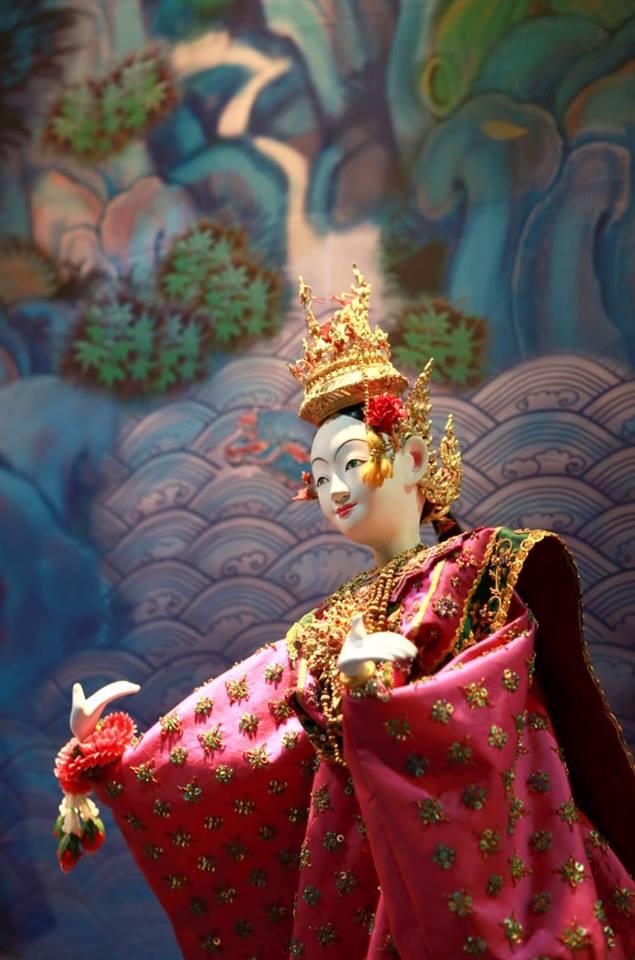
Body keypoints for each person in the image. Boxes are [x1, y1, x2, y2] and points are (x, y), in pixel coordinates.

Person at [53, 267, 635, 959]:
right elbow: (237, 727)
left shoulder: (485, 568)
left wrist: (383, 706)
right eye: (319, 475)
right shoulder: (326, 627)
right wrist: (119, 761)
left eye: (350, 463)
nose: (333, 489)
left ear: (412, 457)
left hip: (490, 850)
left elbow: (506, 704)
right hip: (357, 870)